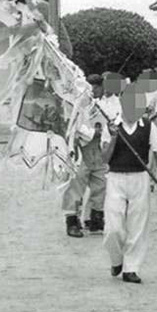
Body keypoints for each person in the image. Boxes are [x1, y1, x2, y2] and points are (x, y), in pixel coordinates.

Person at [101, 80, 157, 285]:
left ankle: (131, 268)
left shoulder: (148, 126)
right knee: (114, 227)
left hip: (140, 177)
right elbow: (105, 158)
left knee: (138, 225)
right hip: (116, 178)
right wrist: (113, 137)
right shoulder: (112, 125)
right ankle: (116, 259)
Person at [62, 73, 108, 237]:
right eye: (99, 88)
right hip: (81, 150)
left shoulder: (98, 105)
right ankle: (72, 221)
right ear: (93, 87)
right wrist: (93, 133)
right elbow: (74, 127)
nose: (101, 92)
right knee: (76, 187)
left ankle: (95, 219)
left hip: (97, 150)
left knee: (101, 183)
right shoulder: (76, 105)